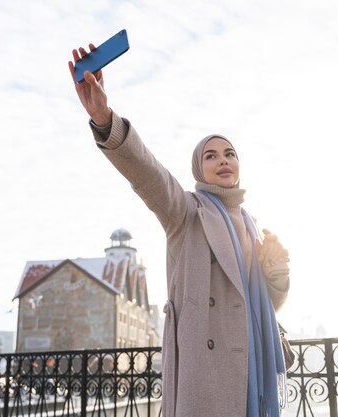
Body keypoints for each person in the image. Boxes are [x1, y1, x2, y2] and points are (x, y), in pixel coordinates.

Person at [69, 44, 291, 417]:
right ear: (197, 169)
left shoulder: (252, 225)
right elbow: (147, 173)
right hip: (207, 373)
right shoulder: (187, 211)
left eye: (229, 154)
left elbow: (260, 308)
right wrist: (105, 119)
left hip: (253, 370)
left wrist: (278, 273)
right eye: (211, 155)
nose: (222, 160)